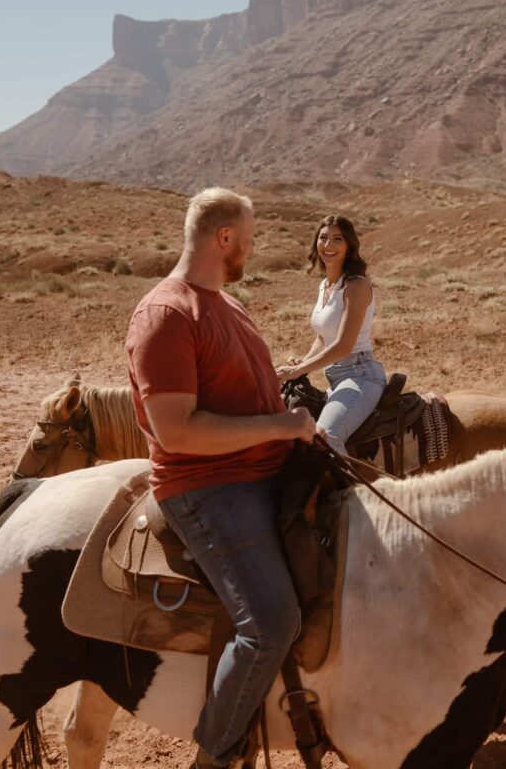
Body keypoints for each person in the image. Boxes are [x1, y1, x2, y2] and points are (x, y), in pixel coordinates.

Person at [125, 187, 317, 769]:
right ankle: (216, 756)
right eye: (249, 240)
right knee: (270, 623)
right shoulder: (165, 314)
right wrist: (280, 425)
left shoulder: (226, 305)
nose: (251, 252)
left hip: (264, 468)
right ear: (224, 238)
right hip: (209, 488)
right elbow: (177, 431)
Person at [275, 214, 386, 456]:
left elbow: (343, 346)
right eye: (323, 238)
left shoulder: (356, 286)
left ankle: (350, 495)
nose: (328, 245)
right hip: (336, 377)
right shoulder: (325, 285)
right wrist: (302, 362)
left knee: (326, 441)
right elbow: (323, 338)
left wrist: (298, 371)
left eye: (337, 239)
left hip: (361, 376)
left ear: (349, 246)